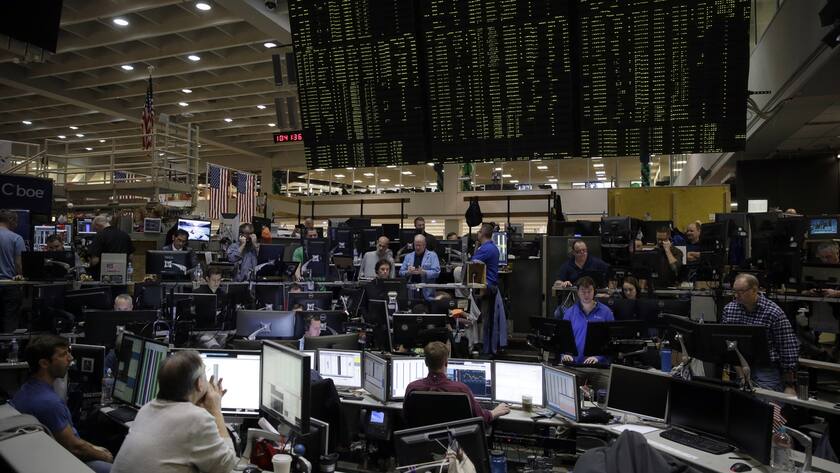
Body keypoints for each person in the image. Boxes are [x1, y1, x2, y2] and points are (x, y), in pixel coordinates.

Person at [110, 350, 236, 473]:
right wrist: (215, 410)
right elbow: (226, 466)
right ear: (199, 384)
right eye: (205, 374)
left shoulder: (146, 409)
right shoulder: (197, 419)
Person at [11, 335, 114, 472]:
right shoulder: (49, 403)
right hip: (60, 462)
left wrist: (93, 448)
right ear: (44, 363)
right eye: (63, 354)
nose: (70, 358)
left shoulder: (28, 388)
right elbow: (75, 448)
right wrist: (104, 456)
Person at [723, 273, 799, 394]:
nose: (736, 295)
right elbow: (728, 342)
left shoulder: (773, 312)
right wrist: (742, 376)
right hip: (739, 365)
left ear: (754, 290)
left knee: (765, 404)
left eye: (741, 291)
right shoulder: (730, 309)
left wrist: (790, 384)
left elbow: (787, 348)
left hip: (766, 367)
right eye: (734, 291)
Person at [405, 342, 510, 425]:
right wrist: (494, 412)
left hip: (422, 443)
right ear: (446, 363)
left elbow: (407, 417)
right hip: (455, 445)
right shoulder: (461, 389)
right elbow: (480, 418)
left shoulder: (412, 388)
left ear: (426, 362)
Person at [556, 276, 614, 365]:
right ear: (578, 292)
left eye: (589, 291)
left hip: (598, 365)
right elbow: (563, 339)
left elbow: (611, 341)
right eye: (583, 291)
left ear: (594, 291)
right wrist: (565, 355)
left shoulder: (606, 312)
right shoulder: (569, 313)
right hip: (574, 363)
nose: (586, 295)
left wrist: (599, 358)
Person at [87, 214, 134, 280]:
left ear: (98, 225)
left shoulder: (99, 236)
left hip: (103, 279)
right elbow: (131, 257)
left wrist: (88, 265)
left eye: (95, 229)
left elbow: (95, 260)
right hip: (122, 277)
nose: (96, 231)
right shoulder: (125, 235)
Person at [0, 209, 25, 332]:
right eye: (16, 221)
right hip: (9, 285)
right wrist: (21, 278)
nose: (17, 224)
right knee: (9, 321)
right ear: (10, 220)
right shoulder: (16, 238)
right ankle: (7, 347)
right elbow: (19, 264)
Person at [399, 234, 440, 301]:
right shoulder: (408, 256)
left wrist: (424, 272)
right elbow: (401, 272)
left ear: (424, 245)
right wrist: (408, 272)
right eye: (416, 245)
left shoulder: (432, 255)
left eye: (419, 245)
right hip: (411, 290)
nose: (417, 248)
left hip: (427, 291)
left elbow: (437, 272)